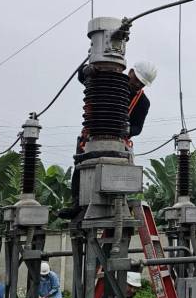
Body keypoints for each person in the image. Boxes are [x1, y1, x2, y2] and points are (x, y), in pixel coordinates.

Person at [58, 61, 158, 220]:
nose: (137, 84)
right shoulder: (111, 81)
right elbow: (81, 77)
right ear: (130, 72)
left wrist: (129, 130)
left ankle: (116, 202)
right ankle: (77, 204)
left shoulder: (143, 102)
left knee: (117, 172)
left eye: (142, 83)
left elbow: (138, 127)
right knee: (80, 167)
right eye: (136, 79)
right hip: (92, 135)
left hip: (117, 141)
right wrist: (86, 71)